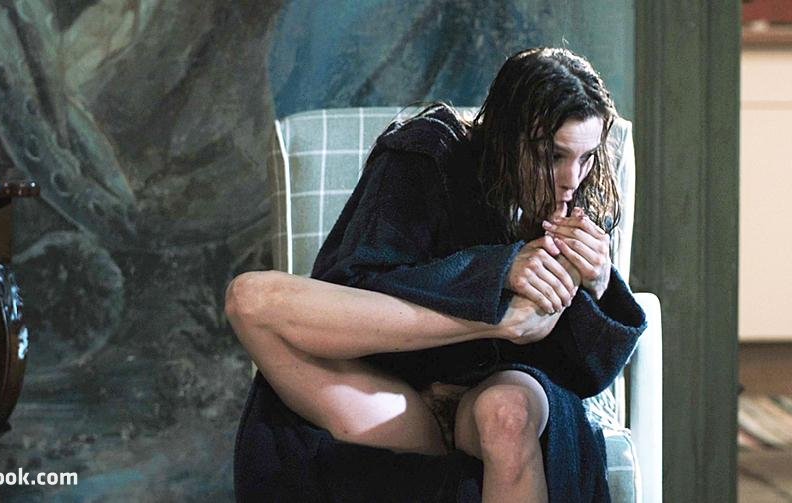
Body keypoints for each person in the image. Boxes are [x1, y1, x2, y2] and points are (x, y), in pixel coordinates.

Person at [226, 47, 646, 503]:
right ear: (505, 137)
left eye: (586, 157)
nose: (571, 178)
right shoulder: (425, 156)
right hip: (390, 390)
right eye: (552, 155)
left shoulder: (583, 200)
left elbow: (584, 380)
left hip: (493, 400)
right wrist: (497, 282)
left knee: (508, 413)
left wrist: (599, 286)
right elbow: (353, 291)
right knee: (249, 297)